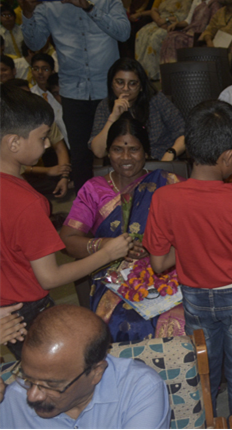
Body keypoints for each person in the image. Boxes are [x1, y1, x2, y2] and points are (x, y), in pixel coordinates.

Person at [144, 100, 232, 416]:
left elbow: (159, 263)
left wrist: (189, 243)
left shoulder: (164, 198)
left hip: (195, 297)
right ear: (227, 157)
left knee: (203, 367)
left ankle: (206, 419)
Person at [0, 85, 132, 358]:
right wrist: (107, 254)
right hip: (26, 309)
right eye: (43, 137)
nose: (48, 145)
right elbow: (50, 276)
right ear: (14, 143)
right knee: (67, 365)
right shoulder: (26, 204)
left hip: (5, 303)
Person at [61, 114, 184, 342]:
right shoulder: (94, 190)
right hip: (113, 276)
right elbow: (68, 239)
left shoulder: (169, 182)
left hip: (167, 267)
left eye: (134, 150)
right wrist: (107, 246)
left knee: (182, 315)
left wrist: (159, 245)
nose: (125, 157)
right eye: (117, 150)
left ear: (146, 152)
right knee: (127, 323)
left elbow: (196, 226)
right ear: (108, 152)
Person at [20, 0, 130, 192]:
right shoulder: (49, 4)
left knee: (118, 146)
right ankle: (84, 204)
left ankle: (122, 199)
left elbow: (124, 33)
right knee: (80, 155)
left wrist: (89, 7)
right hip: (73, 91)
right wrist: (28, 13)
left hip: (108, 88)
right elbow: (35, 43)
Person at [0, 305, 171, 428]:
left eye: (51, 385)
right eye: (27, 379)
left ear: (97, 372)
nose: (32, 396)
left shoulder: (140, 389)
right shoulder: (11, 398)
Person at [89, 58, 186, 161]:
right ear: (111, 84)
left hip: (159, 160)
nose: (125, 88)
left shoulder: (156, 100)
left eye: (132, 83)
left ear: (141, 87)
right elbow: (99, 152)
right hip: (122, 165)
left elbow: (184, 134)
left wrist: (170, 153)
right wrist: (113, 117)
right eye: (120, 82)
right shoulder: (104, 106)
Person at [134, 0, 192, 80]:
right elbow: (154, 10)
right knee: (141, 34)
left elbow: (185, 15)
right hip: (159, 21)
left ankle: (154, 74)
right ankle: (142, 72)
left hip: (174, 24)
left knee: (156, 37)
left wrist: (167, 20)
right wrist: (159, 20)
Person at [159, 0, 221, 64]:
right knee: (170, 35)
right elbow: (188, 21)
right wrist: (176, 24)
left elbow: (212, 26)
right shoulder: (196, 0)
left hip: (199, 35)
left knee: (175, 38)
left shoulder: (214, 3)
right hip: (190, 31)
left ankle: (176, 67)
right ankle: (169, 67)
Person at [30, 53, 68, 147]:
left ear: (52, 71)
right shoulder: (30, 95)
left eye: (45, 69)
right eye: (36, 69)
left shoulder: (62, 92)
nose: (40, 72)